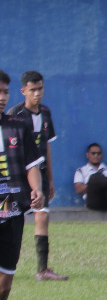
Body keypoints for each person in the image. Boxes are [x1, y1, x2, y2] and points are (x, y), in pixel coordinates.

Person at [6, 71, 66, 281]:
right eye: (32, 90)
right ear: (23, 91)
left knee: (42, 215)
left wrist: (49, 177)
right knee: (10, 222)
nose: (37, 93)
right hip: (15, 179)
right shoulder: (15, 115)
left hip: (38, 177)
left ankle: (42, 270)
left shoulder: (46, 112)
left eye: (40, 89)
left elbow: (46, 147)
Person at [0, 70, 45, 300]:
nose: (2, 97)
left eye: (5, 92)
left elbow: (31, 166)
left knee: (5, 285)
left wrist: (36, 188)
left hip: (12, 211)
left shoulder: (18, 128)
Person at [73, 143, 107, 221]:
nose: (96, 156)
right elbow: (78, 189)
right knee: (95, 178)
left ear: (101, 155)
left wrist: (105, 182)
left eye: (98, 153)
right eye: (93, 153)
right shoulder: (81, 171)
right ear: (87, 155)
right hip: (93, 201)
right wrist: (95, 183)